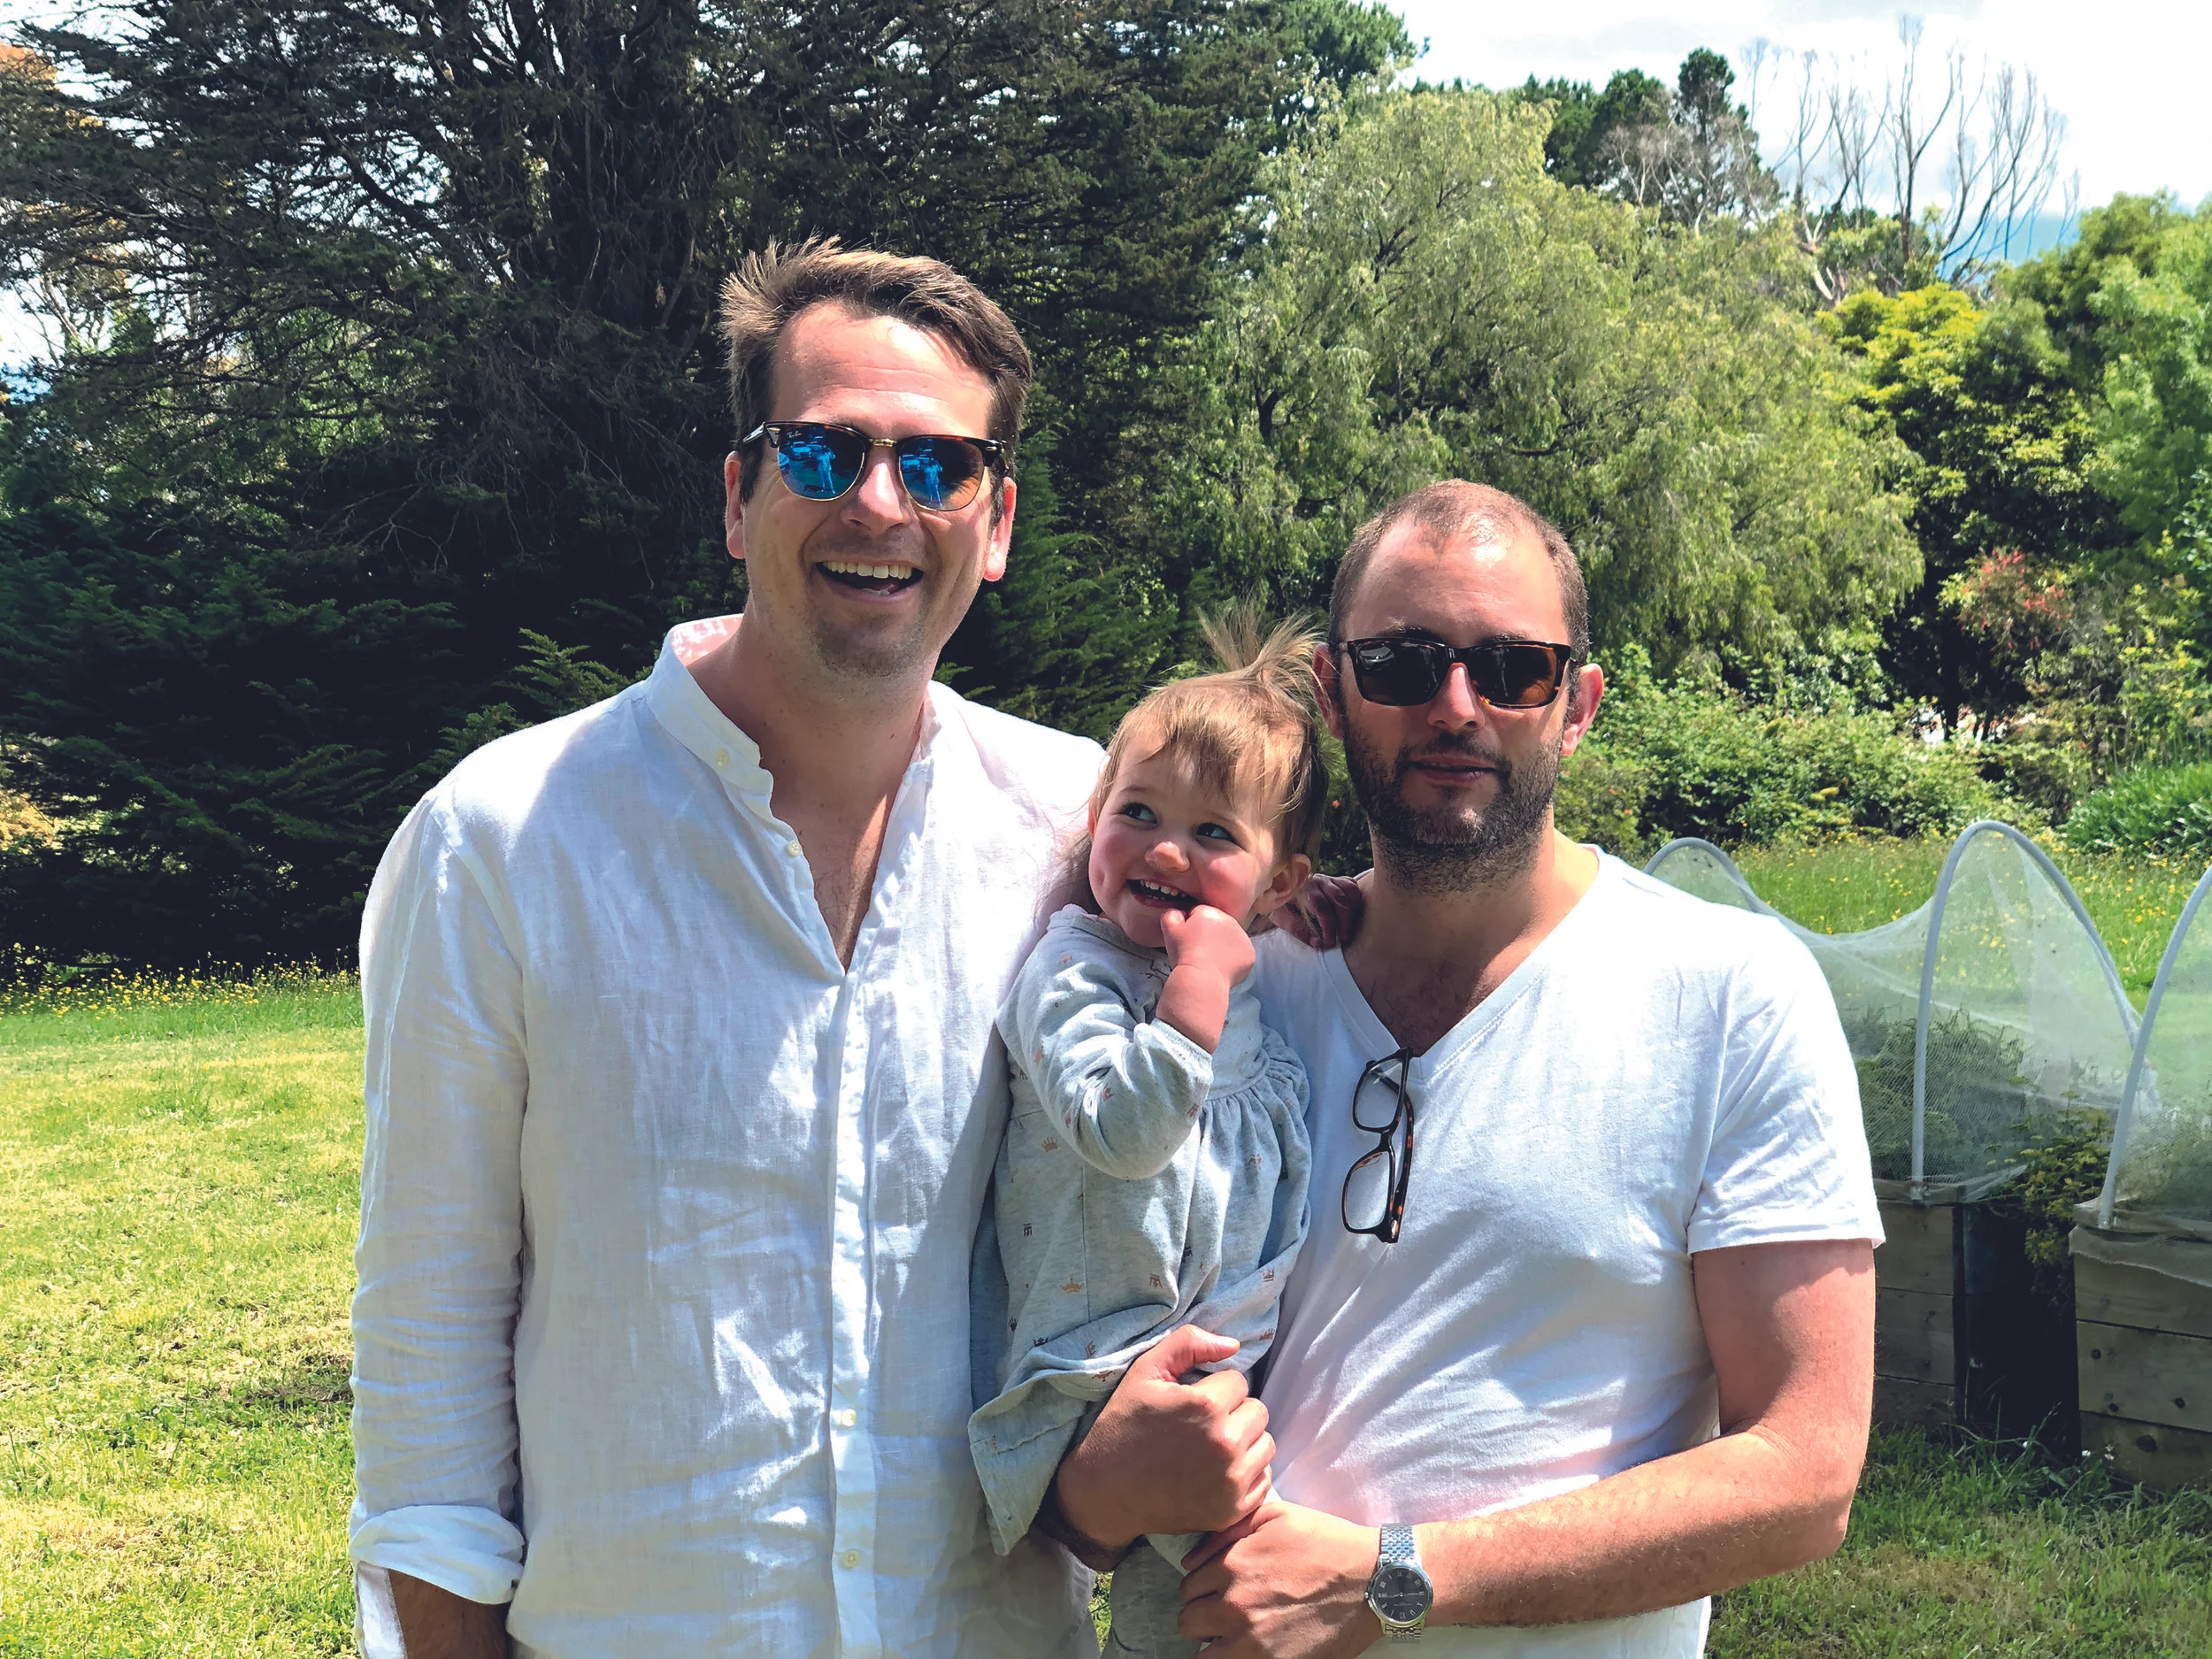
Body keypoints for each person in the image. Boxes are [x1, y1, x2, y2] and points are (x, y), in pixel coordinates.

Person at [348, 240, 1112, 1657]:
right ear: (738, 494)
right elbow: (426, 1347)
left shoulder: (1084, 833)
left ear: (996, 520)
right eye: (821, 453)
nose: (881, 500)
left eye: (938, 464)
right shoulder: (505, 839)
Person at [1048, 480, 1882, 1658]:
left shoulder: (1729, 989)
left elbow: (1806, 1468)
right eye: (1402, 662)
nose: (1457, 705)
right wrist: (1101, 1481)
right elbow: (1065, 1366)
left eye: (1514, 667)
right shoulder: (1221, 985)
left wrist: (1398, 1574)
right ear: (1334, 692)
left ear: (1579, 703)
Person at [970, 612, 1325, 1656]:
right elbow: (1121, 1131)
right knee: (1233, 1590)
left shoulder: (1247, 972)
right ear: (1095, 816)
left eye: (1216, 835)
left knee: (1207, 1620)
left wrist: (1301, 921)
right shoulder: (1073, 971)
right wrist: (1196, 991)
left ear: (1280, 885)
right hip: (1091, 1375)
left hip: (1223, 1362)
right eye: (1139, 811)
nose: (1167, 848)